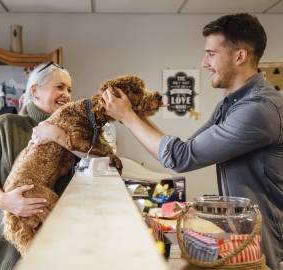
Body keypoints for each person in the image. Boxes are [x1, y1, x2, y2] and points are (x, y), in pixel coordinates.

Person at [101, 13, 283, 270]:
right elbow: (183, 149)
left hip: (268, 234)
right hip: (244, 227)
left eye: (211, 54)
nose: (204, 62)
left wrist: (129, 117)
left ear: (239, 56)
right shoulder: (231, 104)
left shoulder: (258, 110)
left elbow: (180, 158)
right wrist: (136, 114)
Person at [0, 62, 74, 270]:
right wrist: (4, 200)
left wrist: (59, 136)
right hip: (1, 241)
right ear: (35, 91)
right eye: (60, 87)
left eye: (69, 89)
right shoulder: (7, 125)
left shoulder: (70, 136)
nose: (66, 94)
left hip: (53, 243)